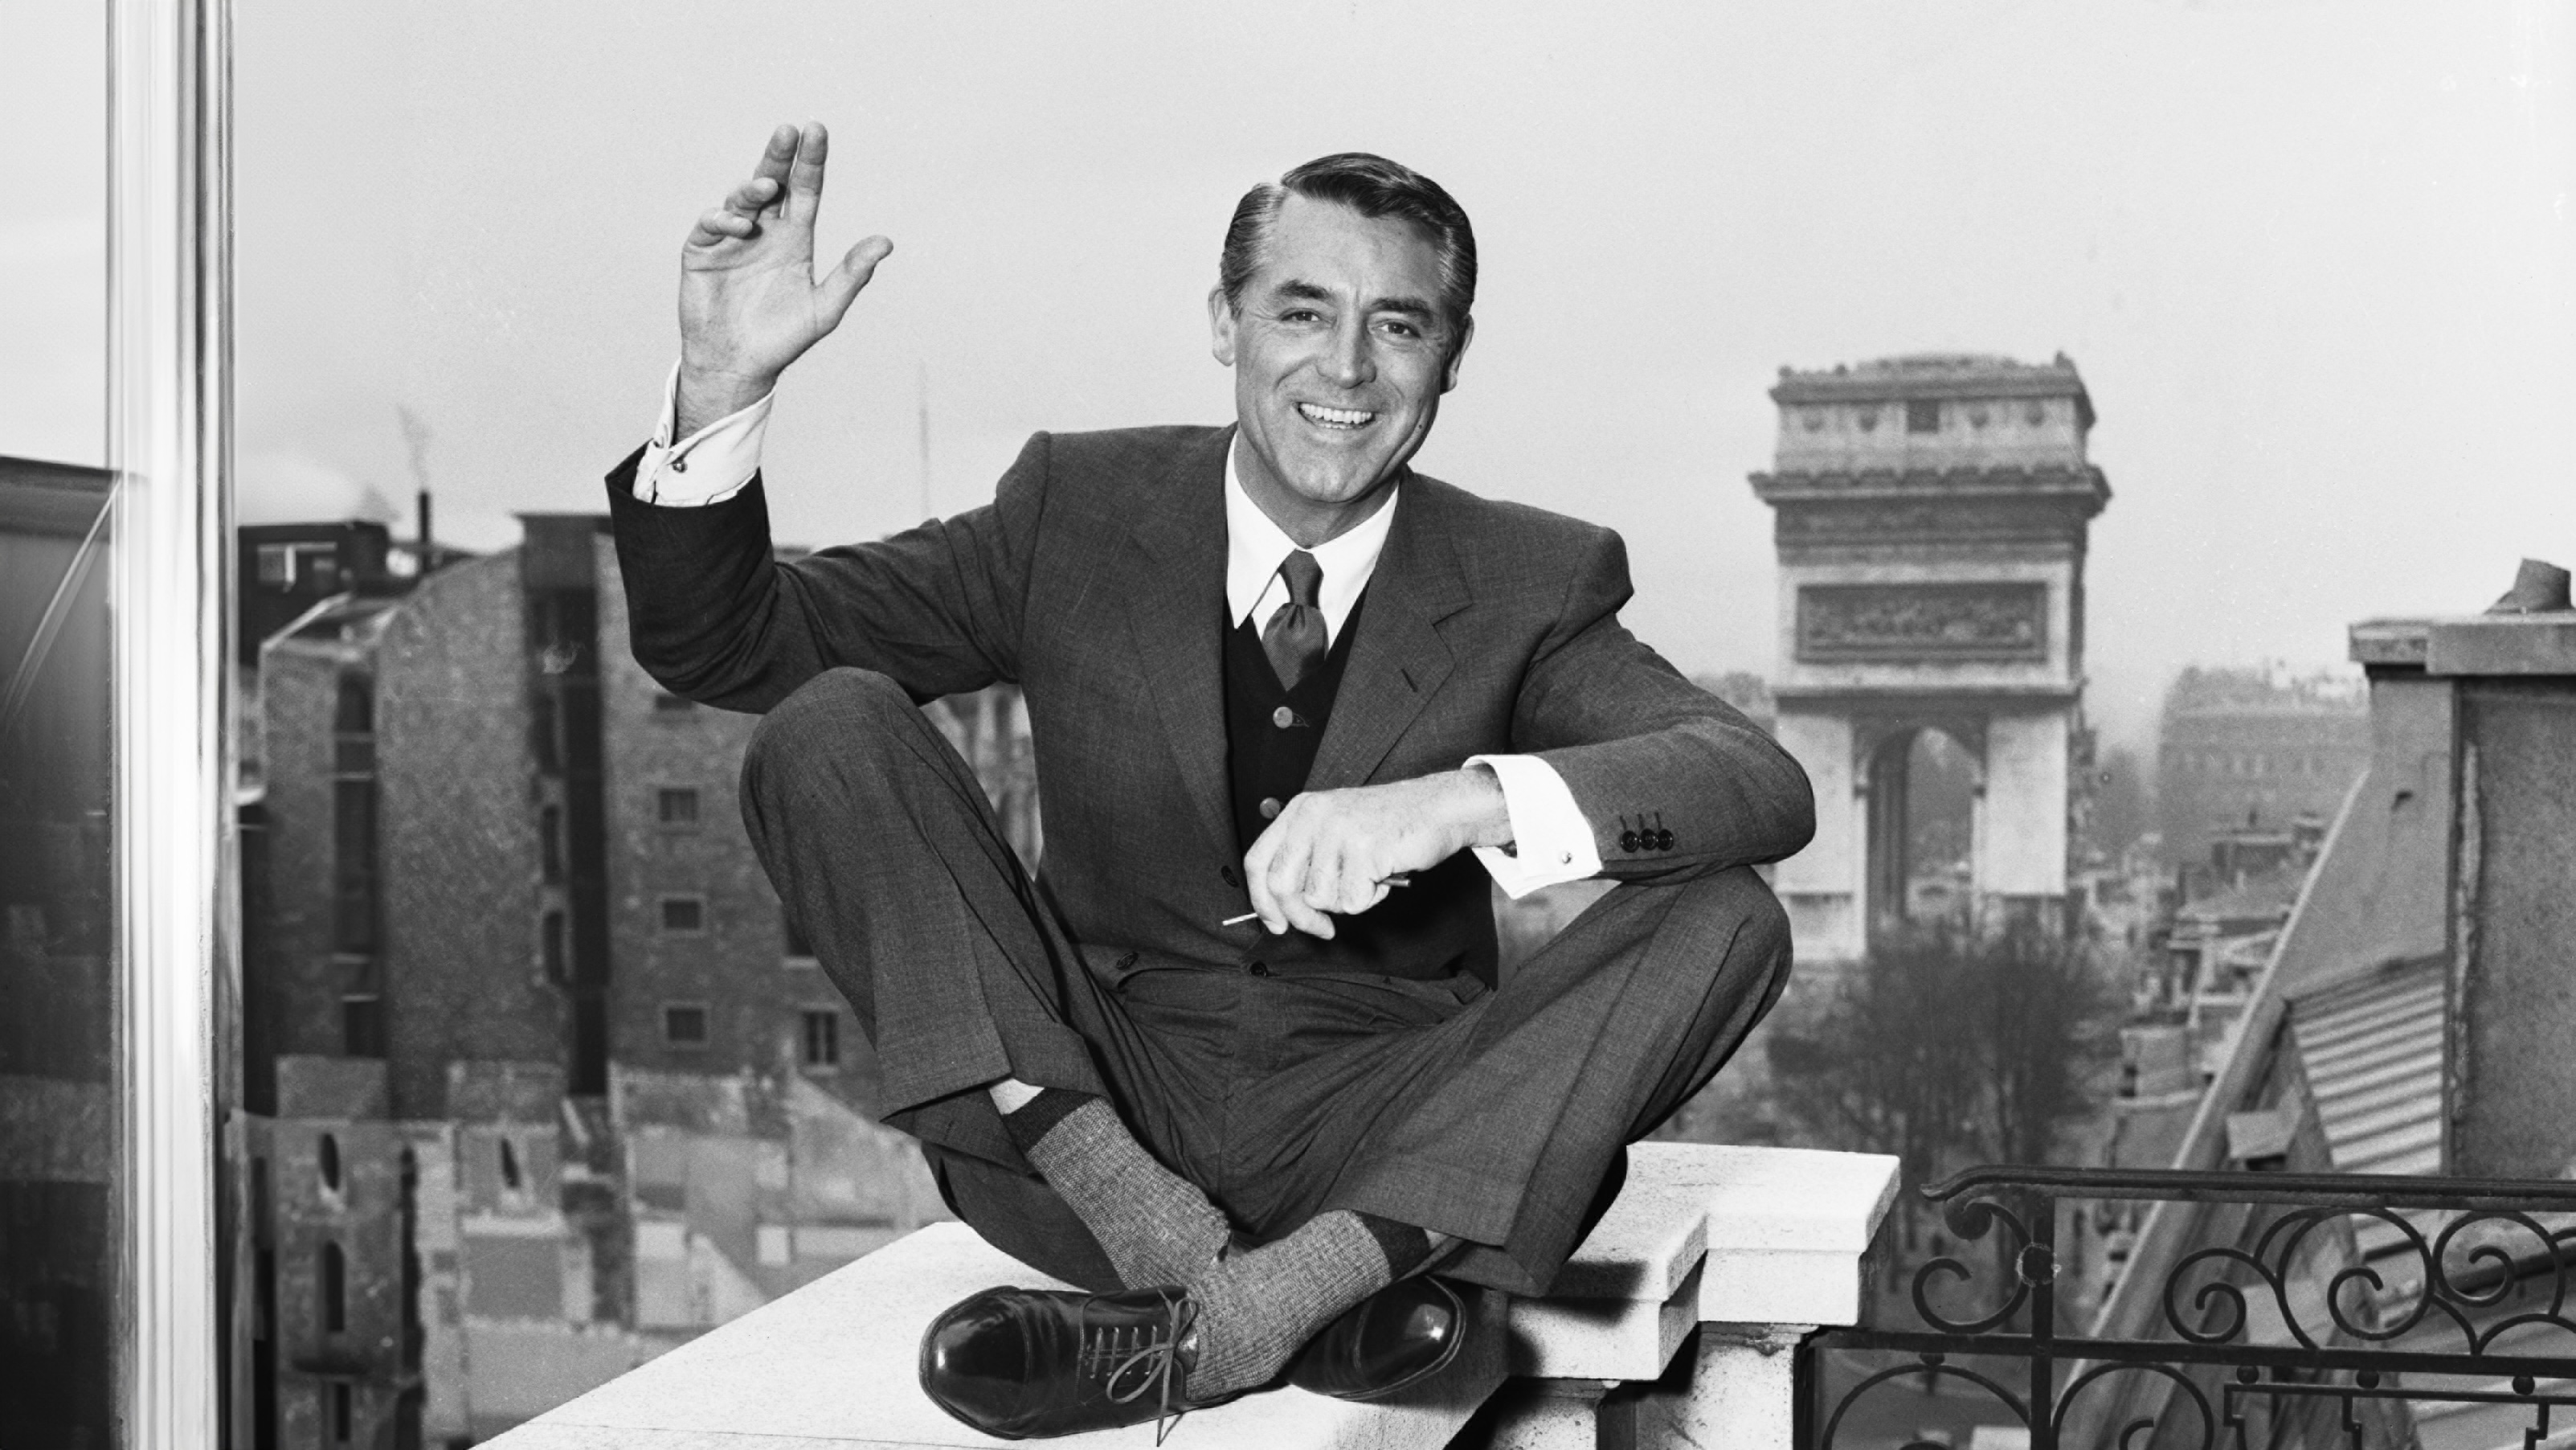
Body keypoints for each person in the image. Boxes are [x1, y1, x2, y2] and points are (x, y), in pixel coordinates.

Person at [607, 121, 1814, 1438]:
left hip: (1389, 1142)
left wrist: (1458, 799)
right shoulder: (1075, 509)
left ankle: (1236, 1317)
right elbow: (731, 646)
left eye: (1397, 327)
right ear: (1224, 323)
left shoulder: (1531, 578)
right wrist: (720, 384)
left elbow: (1751, 781)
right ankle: (1267, 1303)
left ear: (1449, 359)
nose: (1344, 368)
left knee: (1728, 914)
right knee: (824, 724)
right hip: (1085, 1109)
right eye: (1301, 310)